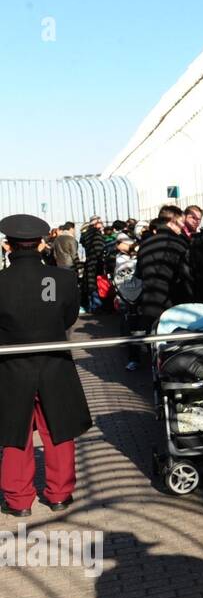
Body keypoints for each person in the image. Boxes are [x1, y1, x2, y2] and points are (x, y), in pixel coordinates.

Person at [0, 214, 92, 516]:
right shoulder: (62, 279)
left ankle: (18, 500)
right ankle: (59, 495)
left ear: (7, 245)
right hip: (55, 362)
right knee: (58, 429)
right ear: (41, 244)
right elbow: (68, 318)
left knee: (15, 433)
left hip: (12, 365)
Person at [78, 215, 105, 312]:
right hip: (96, 263)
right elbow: (99, 250)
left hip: (89, 262)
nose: (102, 224)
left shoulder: (86, 235)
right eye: (100, 222)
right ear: (96, 224)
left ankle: (92, 306)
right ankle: (98, 306)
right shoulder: (96, 234)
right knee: (97, 284)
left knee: (91, 284)